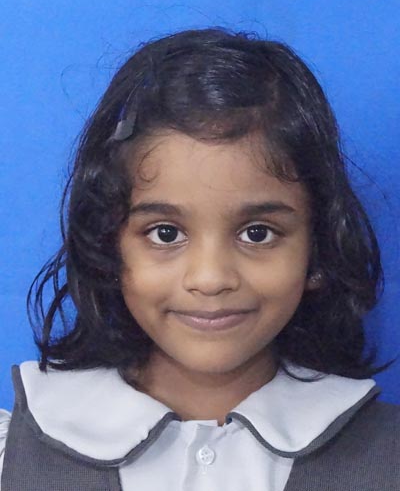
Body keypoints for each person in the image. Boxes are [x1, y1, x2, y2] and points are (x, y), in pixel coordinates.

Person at [0, 27, 399, 490]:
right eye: (165, 233)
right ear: (108, 245)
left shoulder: (386, 456)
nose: (210, 278)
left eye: (257, 233)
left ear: (318, 251)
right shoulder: (16, 455)